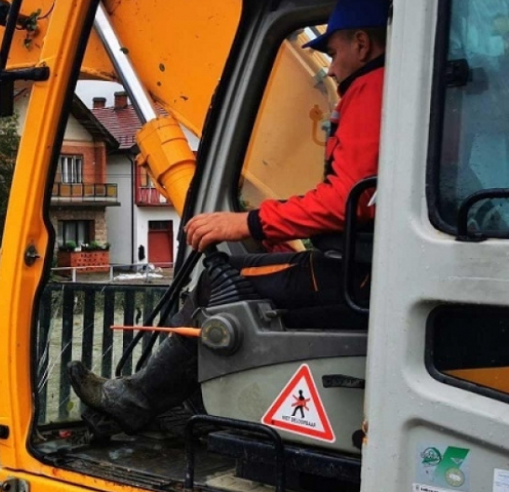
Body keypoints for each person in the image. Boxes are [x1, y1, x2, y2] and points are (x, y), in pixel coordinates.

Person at [68, 0, 389, 435]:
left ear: (362, 43)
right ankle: (163, 405)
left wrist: (247, 223)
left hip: (352, 274)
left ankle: (139, 399)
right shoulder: (396, 93)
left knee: (218, 281)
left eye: (333, 53)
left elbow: (345, 202)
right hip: (365, 270)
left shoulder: (371, 90)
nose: (330, 69)